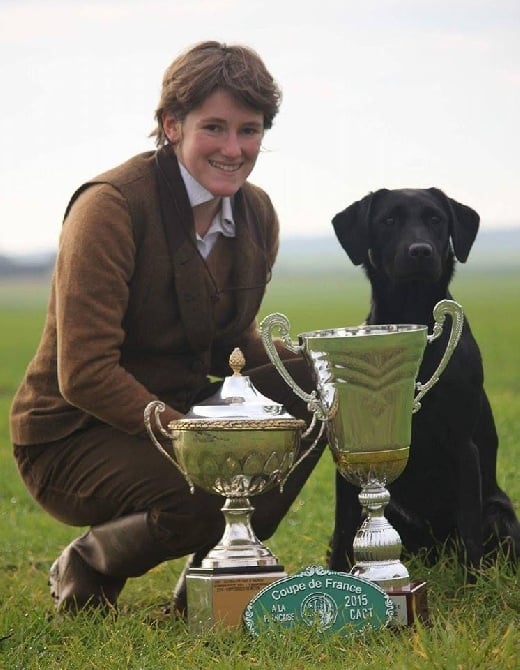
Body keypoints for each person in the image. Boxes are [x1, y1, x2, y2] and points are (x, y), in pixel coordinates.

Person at [9, 40, 324, 615]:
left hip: (174, 413)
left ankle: (212, 579)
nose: (234, 149)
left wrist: (308, 370)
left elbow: (229, 341)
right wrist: (199, 442)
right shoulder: (110, 206)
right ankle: (89, 560)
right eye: (215, 128)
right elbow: (84, 371)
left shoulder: (257, 214)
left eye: (249, 130)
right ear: (170, 125)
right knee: (213, 487)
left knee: (312, 389)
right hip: (72, 436)